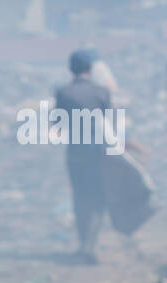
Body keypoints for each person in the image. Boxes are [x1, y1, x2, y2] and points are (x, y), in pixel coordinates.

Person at [55, 49, 111, 264]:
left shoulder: (63, 92)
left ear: (71, 69)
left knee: (80, 197)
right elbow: (108, 123)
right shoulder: (101, 92)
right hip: (98, 153)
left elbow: (58, 125)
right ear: (91, 69)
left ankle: (82, 244)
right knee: (98, 198)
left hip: (75, 154)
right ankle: (90, 245)